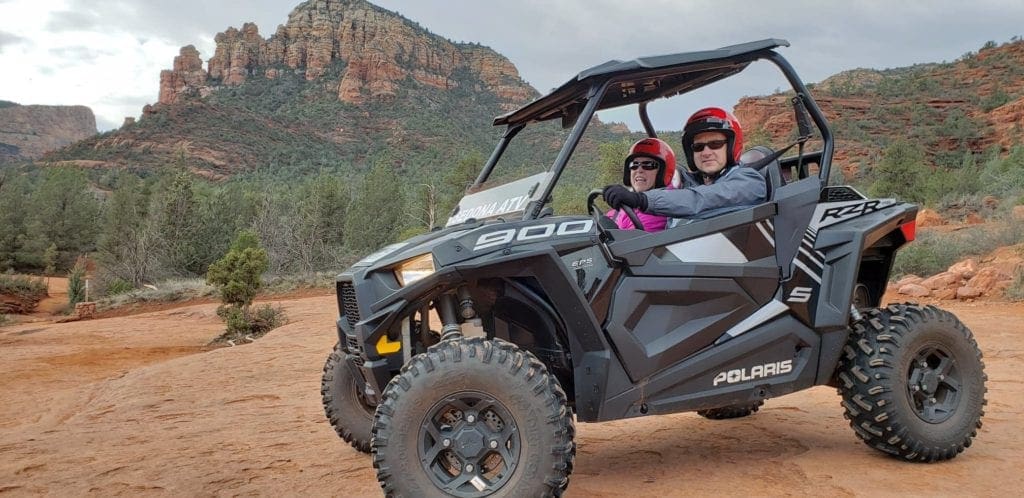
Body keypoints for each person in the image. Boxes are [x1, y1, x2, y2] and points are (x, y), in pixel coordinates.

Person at [603, 107, 766, 221]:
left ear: (731, 147)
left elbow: (702, 199)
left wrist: (642, 199)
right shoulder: (688, 183)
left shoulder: (749, 182)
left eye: (715, 144)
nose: (706, 152)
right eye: (698, 147)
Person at [606, 138, 676, 231]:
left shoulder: (661, 209)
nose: (639, 170)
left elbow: (629, 242)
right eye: (634, 165)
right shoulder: (632, 201)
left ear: (662, 173)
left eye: (648, 165)